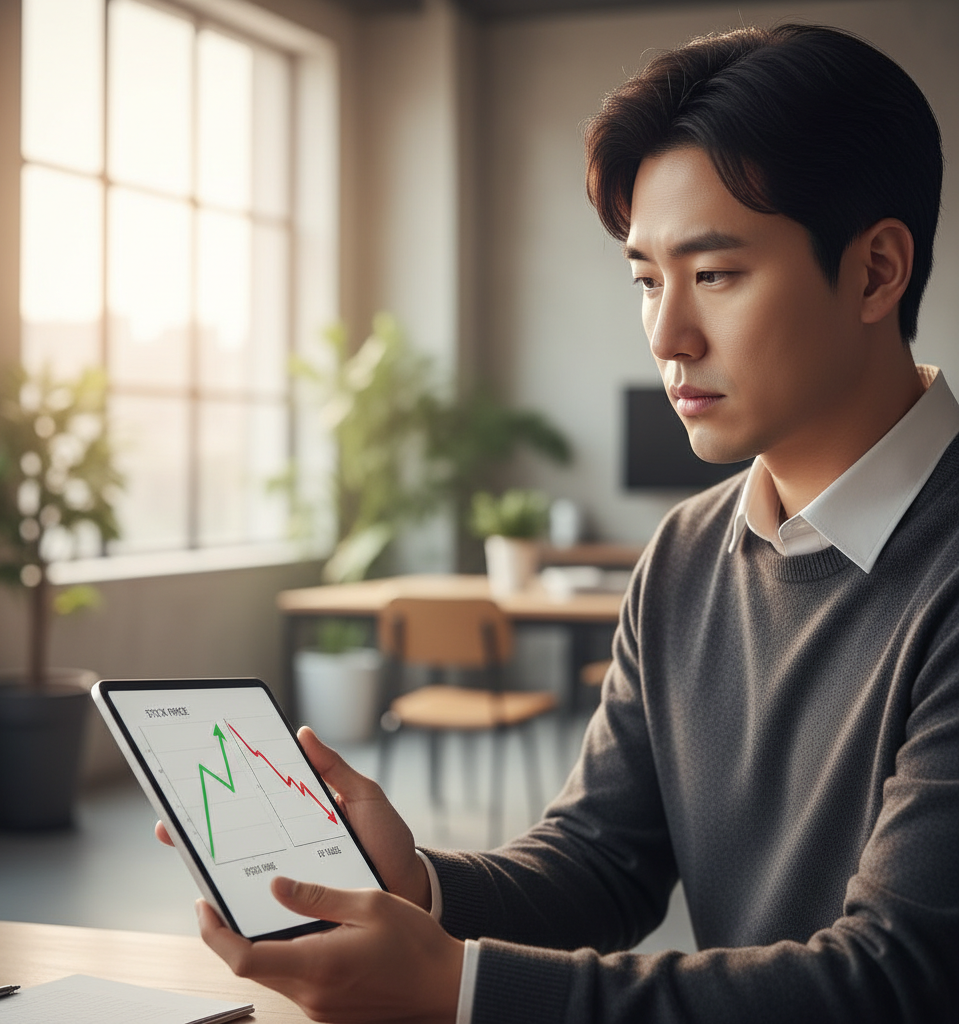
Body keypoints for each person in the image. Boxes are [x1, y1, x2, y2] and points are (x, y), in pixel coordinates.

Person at [159, 23, 959, 1022]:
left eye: (714, 274)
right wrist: (417, 884)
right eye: (645, 279)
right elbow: (600, 859)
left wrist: (459, 990)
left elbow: (897, 980)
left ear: (877, 272)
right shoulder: (685, 554)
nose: (666, 335)